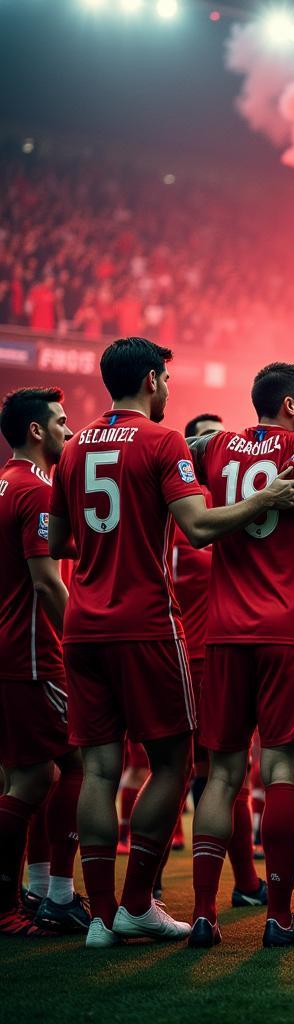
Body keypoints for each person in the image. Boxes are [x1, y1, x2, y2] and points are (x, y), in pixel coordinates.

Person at [47, 337, 294, 949]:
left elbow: (59, 540)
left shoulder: (76, 444)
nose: (168, 387)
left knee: (100, 770)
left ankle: (103, 919)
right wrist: (264, 498)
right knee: (173, 763)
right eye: (165, 378)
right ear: (151, 380)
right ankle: (139, 900)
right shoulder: (161, 442)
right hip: (144, 622)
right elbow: (198, 527)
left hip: (82, 622)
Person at [186, 363, 294, 949]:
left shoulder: (215, 446)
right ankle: (280, 916)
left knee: (221, 774)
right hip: (288, 630)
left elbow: (179, 450)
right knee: (283, 771)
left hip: (223, 630)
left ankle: (202, 914)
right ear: (289, 405)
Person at [0, 387, 87, 937]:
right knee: (62, 769)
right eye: (59, 421)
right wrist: (81, 636)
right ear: (36, 430)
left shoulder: (3, 484)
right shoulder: (33, 491)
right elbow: (45, 582)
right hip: (33, 654)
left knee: (33, 773)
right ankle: (41, 897)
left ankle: (36, 891)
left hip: (9, 650)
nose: (67, 429)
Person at [174, 413, 266, 911]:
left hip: (204, 647)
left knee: (207, 771)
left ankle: (243, 884)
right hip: (200, 651)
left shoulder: (186, 510)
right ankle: (240, 886)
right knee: (205, 771)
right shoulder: (199, 517)